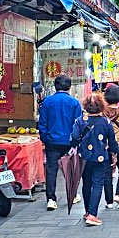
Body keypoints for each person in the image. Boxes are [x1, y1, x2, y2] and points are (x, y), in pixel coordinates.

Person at [70, 94, 117, 227]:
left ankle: (87, 211)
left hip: (84, 157)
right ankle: (92, 214)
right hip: (101, 157)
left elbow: (73, 138)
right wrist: (114, 153)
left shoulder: (80, 120)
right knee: (98, 184)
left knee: (87, 183)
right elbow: (112, 142)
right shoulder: (106, 122)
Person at [37, 74, 82, 211]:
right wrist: (75, 140)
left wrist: (45, 137)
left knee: (51, 170)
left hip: (52, 141)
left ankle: (51, 199)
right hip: (69, 142)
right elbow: (77, 124)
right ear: (69, 86)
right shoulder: (74, 103)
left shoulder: (47, 102)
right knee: (70, 169)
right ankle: (72, 195)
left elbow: (42, 123)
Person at [102, 83, 119, 209]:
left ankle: (109, 201)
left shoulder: (102, 111)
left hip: (105, 146)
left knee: (107, 172)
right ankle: (118, 193)